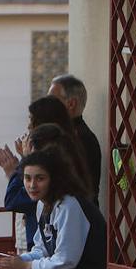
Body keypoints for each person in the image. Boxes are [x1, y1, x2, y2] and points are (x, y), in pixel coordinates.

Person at [0, 97, 91, 248]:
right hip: (44, 243)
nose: (29, 126)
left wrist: (15, 170)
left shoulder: (66, 199)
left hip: (55, 247)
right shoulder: (71, 149)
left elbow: (15, 200)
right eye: (27, 178)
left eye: (32, 120)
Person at [0, 148, 107, 269]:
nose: (32, 185)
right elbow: (42, 249)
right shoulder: (42, 204)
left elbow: (65, 260)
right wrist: (17, 261)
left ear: (54, 179)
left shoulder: (69, 205)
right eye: (27, 178)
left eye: (40, 178)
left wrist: (25, 265)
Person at [48, 73, 102, 207]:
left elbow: (62, 182)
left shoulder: (80, 139)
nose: (47, 105)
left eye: (52, 100)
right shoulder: (65, 135)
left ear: (71, 104)